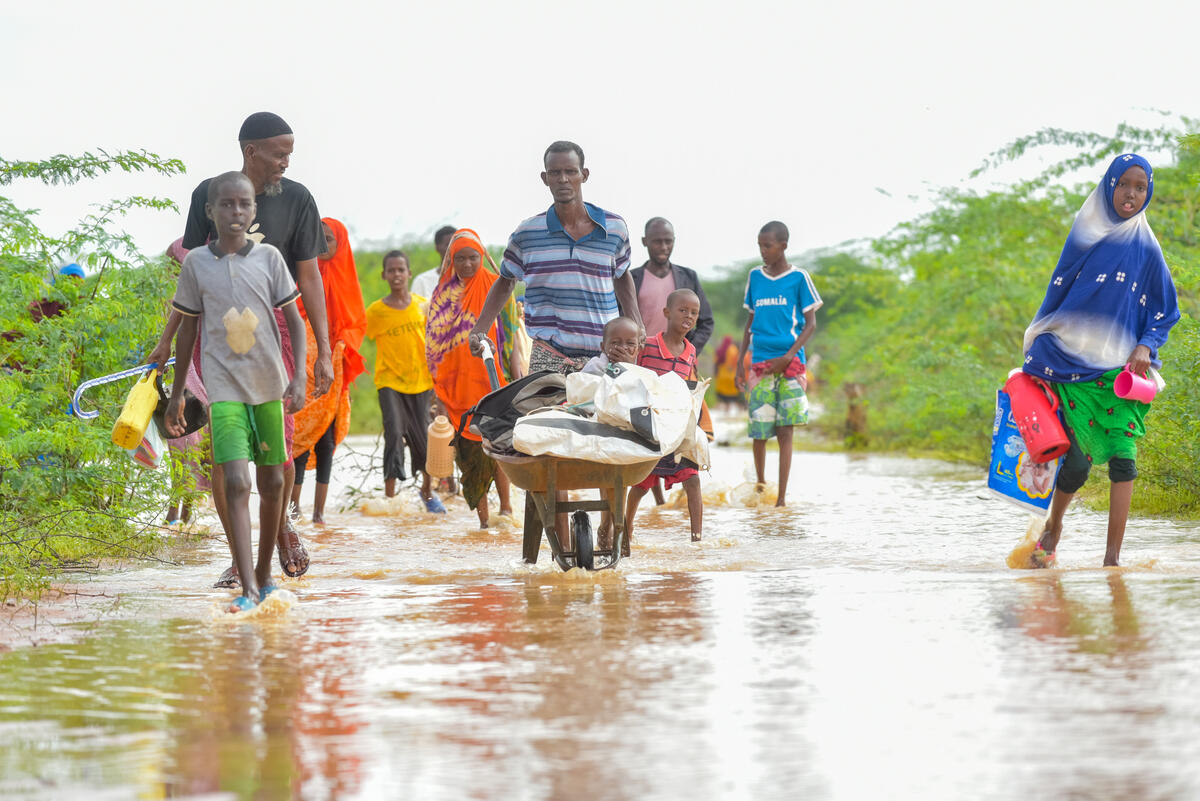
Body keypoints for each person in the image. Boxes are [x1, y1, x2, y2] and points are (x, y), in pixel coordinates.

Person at [147, 111, 331, 585]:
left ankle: (281, 525)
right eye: (278, 154)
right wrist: (167, 340)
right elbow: (191, 272)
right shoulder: (207, 195)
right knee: (222, 453)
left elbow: (308, 277)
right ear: (251, 151)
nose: (286, 163)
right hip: (216, 334)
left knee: (278, 447)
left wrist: (324, 352)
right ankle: (239, 557)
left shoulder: (297, 200)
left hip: (276, 336)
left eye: (290, 153)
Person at [1023, 153, 1179, 568]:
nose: (1132, 193)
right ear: (1110, 184)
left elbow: (1166, 310)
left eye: (1140, 187)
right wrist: (1042, 343)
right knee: (1076, 462)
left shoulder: (1146, 246)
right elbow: (1060, 294)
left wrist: (1146, 344)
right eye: (1124, 184)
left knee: (1124, 459)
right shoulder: (1085, 231)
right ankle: (1053, 529)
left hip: (1123, 370)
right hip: (1073, 363)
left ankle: (1112, 562)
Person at [164, 171, 306, 612]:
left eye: (244, 205)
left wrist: (298, 376)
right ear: (210, 212)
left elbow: (295, 323)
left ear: (253, 211)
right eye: (226, 205)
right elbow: (188, 329)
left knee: (274, 478)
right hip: (222, 388)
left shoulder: (269, 260)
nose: (236, 212)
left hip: (267, 385)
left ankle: (263, 577)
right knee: (237, 480)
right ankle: (247, 585)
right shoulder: (196, 265)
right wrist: (175, 395)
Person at [468, 140, 644, 372]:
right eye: (555, 173)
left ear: (584, 174)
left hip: (605, 354)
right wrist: (479, 330)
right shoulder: (527, 234)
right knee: (540, 410)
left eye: (571, 172)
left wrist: (637, 322)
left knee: (612, 408)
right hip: (549, 357)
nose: (563, 179)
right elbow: (506, 281)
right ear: (545, 178)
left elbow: (621, 275)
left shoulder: (614, 228)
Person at [427, 229, 516, 528]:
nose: (467, 264)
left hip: (493, 381)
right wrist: (438, 394)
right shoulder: (442, 295)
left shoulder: (497, 287)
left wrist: (516, 381)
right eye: (460, 258)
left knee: (499, 448)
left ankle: (507, 511)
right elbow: (434, 347)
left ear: (482, 257)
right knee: (469, 454)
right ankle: (484, 522)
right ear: (451, 260)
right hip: (457, 388)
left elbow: (512, 339)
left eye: (473, 258)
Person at [735, 221, 822, 508]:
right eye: (760, 245)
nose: (763, 251)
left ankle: (781, 499)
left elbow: (811, 324)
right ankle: (761, 488)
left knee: (786, 431)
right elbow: (749, 324)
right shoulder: (755, 278)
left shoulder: (799, 278)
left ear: (783, 245)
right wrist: (740, 363)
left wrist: (789, 356)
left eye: (767, 245)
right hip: (760, 364)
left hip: (792, 365)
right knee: (760, 432)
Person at [290, 218, 367, 524]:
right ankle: (293, 508)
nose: (323, 246)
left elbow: (356, 323)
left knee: (326, 442)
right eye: (317, 239)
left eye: (329, 240)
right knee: (298, 438)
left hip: (333, 371)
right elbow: (291, 315)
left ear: (341, 244)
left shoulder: (346, 279)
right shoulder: (302, 275)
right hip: (302, 370)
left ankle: (319, 514)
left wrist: (340, 346)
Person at [365, 249, 445, 512]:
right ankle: (390, 500)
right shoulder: (376, 312)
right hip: (389, 382)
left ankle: (427, 491)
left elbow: (435, 343)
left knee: (423, 439)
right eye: (391, 270)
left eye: (401, 270)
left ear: (409, 273)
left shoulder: (423, 305)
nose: (396, 274)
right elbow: (357, 334)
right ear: (384, 275)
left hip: (421, 383)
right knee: (394, 433)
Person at [624, 289, 704, 551]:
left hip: (676, 427)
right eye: (683, 310)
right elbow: (632, 374)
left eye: (694, 313)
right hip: (650, 426)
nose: (688, 316)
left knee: (692, 479)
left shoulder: (691, 351)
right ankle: (626, 527)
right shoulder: (646, 345)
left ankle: (697, 538)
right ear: (667, 313)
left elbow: (690, 389)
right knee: (641, 484)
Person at [630, 217, 714, 352]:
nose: (663, 247)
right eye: (657, 242)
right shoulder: (630, 279)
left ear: (674, 240)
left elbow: (706, 322)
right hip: (639, 357)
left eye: (668, 241)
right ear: (645, 241)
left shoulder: (689, 277)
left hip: (676, 360)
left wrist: (688, 352)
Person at [410, 225, 457, 300]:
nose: (453, 248)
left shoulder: (470, 280)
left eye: (456, 244)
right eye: (448, 245)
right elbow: (416, 310)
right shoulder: (422, 281)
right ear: (437, 248)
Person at [713, 334, 742, 413]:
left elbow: (716, 362)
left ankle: (719, 412)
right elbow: (736, 361)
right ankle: (728, 411)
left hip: (721, 375)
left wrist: (716, 372)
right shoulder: (733, 349)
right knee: (731, 396)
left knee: (721, 396)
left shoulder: (720, 349)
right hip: (731, 375)